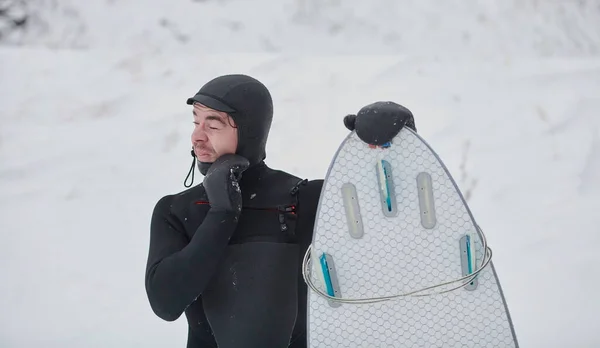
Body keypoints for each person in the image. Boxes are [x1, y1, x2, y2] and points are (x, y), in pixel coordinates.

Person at [144, 74, 323, 348]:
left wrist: (389, 141)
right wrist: (221, 215)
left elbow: (392, 216)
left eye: (212, 125)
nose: (197, 137)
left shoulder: (306, 200)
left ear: (249, 131)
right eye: (195, 122)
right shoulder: (176, 210)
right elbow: (165, 304)